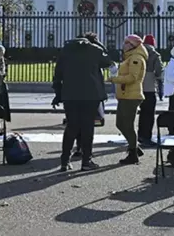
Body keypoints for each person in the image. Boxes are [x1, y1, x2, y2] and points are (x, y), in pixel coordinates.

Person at [52, 32, 112, 172]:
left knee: (71, 127)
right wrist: (98, 44)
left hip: (70, 94)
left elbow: (57, 75)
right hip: (90, 95)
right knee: (87, 128)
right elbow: (108, 61)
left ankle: (65, 161)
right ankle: (86, 161)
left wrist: (58, 94)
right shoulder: (94, 50)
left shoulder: (66, 51)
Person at [109, 34, 148, 165]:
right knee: (120, 124)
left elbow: (133, 77)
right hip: (125, 95)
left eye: (126, 43)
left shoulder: (136, 58)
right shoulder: (130, 57)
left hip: (132, 96)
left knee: (128, 125)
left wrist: (114, 79)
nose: (123, 45)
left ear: (132, 45)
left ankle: (133, 153)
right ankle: (135, 147)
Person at [138, 34, 163, 146]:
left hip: (138, 85)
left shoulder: (138, 52)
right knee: (149, 113)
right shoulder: (154, 54)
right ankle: (146, 136)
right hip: (149, 86)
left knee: (142, 112)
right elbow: (159, 71)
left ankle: (140, 135)